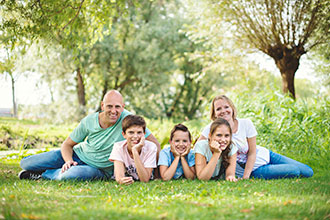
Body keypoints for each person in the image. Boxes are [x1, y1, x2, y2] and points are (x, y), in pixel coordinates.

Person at [18, 90, 160, 181]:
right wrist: (68, 160)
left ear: (123, 107)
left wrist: (157, 172)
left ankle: (43, 174)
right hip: (77, 155)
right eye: (109, 106)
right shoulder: (89, 121)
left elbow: (154, 143)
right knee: (25, 163)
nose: (113, 111)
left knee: (69, 176)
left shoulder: (129, 120)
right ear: (102, 105)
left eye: (117, 107)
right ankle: (48, 168)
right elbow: (67, 144)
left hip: (98, 169)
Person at [198, 95, 313, 180]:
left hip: (265, 155)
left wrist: (245, 177)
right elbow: (198, 148)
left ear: (232, 109)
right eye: (218, 109)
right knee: (294, 171)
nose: (223, 111)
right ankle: (275, 170)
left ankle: (275, 168)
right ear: (214, 114)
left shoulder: (246, 123)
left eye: (226, 107)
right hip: (254, 169)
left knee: (308, 172)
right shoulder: (211, 129)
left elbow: (252, 152)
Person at [109, 115, 157, 185]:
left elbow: (145, 179)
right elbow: (119, 177)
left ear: (144, 134)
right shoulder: (118, 147)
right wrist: (121, 180)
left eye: (139, 132)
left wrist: (135, 151)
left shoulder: (151, 147)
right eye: (131, 132)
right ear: (124, 134)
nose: (135, 136)